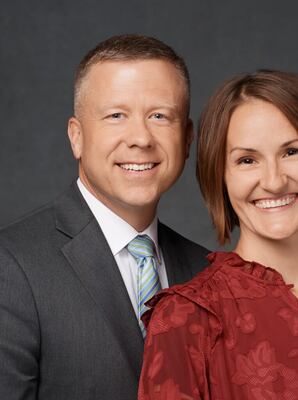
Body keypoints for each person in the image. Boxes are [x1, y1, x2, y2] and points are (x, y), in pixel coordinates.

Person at [139, 70, 298, 399]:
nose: (274, 181)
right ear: (220, 177)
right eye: (247, 160)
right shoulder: (186, 320)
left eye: (292, 152)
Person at [0, 34, 208, 400]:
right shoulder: (12, 265)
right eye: (116, 116)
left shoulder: (206, 271)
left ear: (187, 138)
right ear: (76, 137)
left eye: (159, 116)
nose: (141, 138)